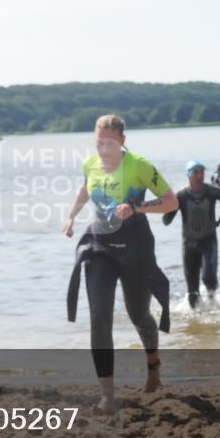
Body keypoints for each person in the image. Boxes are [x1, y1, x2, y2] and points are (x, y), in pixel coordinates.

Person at [63, 115, 178, 414]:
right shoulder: (90, 164)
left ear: (123, 141)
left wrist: (137, 207)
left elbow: (170, 201)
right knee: (99, 318)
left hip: (135, 249)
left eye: (109, 143)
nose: (103, 149)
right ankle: (107, 397)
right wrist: (71, 215)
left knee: (138, 314)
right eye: (99, 142)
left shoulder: (139, 165)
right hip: (100, 247)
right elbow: (86, 188)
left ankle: (153, 363)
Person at [163, 160, 220, 306]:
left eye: (202, 171)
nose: (201, 175)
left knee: (209, 279)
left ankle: (212, 304)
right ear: (189, 175)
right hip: (188, 245)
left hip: (208, 242)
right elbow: (166, 220)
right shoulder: (181, 196)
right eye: (197, 172)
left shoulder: (211, 191)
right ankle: (195, 320)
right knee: (192, 293)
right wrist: (167, 208)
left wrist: (219, 220)